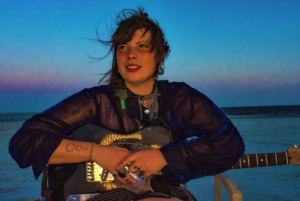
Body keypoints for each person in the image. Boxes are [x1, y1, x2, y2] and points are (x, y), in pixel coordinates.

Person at [9, 7, 245, 201]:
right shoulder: (95, 101)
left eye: (142, 46)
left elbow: (230, 143)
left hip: (160, 191)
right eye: (123, 47)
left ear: (161, 54)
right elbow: (24, 141)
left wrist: (164, 157)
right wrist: (97, 153)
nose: (131, 54)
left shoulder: (181, 98)